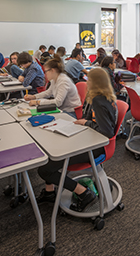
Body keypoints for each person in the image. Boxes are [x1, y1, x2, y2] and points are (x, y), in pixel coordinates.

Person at [37, 68, 118, 212]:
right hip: (89, 138)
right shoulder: (99, 96)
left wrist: (85, 123)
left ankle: (84, 193)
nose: (87, 82)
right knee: (51, 152)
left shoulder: (99, 100)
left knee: (45, 168)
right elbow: (90, 118)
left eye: (90, 80)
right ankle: (49, 192)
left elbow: (106, 132)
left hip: (97, 147)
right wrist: (81, 123)